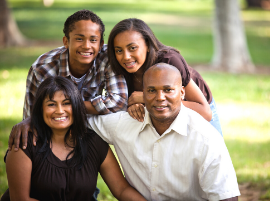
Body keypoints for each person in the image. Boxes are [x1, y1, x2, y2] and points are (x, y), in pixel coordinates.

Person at [9, 10, 128, 199]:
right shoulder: (42, 68)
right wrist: (31, 121)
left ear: (101, 43)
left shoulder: (107, 59)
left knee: (82, 180)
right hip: (51, 138)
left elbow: (119, 100)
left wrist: (72, 107)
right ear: (66, 41)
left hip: (81, 133)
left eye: (93, 40)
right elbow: (34, 115)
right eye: (79, 39)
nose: (86, 46)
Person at [88, 63, 240, 200]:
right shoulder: (123, 124)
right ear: (143, 93)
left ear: (181, 93)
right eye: (151, 90)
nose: (160, 97)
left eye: (168, 90)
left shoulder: (205, 138)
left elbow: (226, 197)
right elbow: (81, 124)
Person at [1, 76, 146, 201]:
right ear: (40, 109)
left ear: (77, 106)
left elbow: (121, 189)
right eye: (51, 104)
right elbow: (20, 199)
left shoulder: (93, 142)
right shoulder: (24, 143)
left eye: (66, 103)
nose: (59, 110)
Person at [107, 18, 223, 135]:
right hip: (163, 116)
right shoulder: (118, 69)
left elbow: (205, 112)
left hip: (195, 107)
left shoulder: (169, 61)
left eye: (132, 48)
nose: (126, 56)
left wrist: (145, 98)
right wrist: (133, 106)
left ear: (147, 45)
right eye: (119, 51)